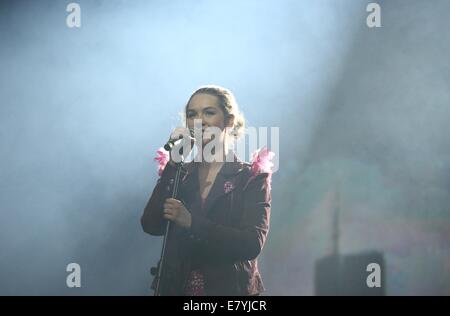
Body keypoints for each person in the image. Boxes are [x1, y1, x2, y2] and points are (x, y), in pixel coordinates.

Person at [141, 85, 274, 296]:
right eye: (192, 114)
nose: (199, 120)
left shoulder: (250, 177)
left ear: (229, 121)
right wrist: (173, 165)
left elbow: (251, 244)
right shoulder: (180, 174)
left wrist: (191, 222)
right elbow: (151, 224)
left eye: (209, 113)